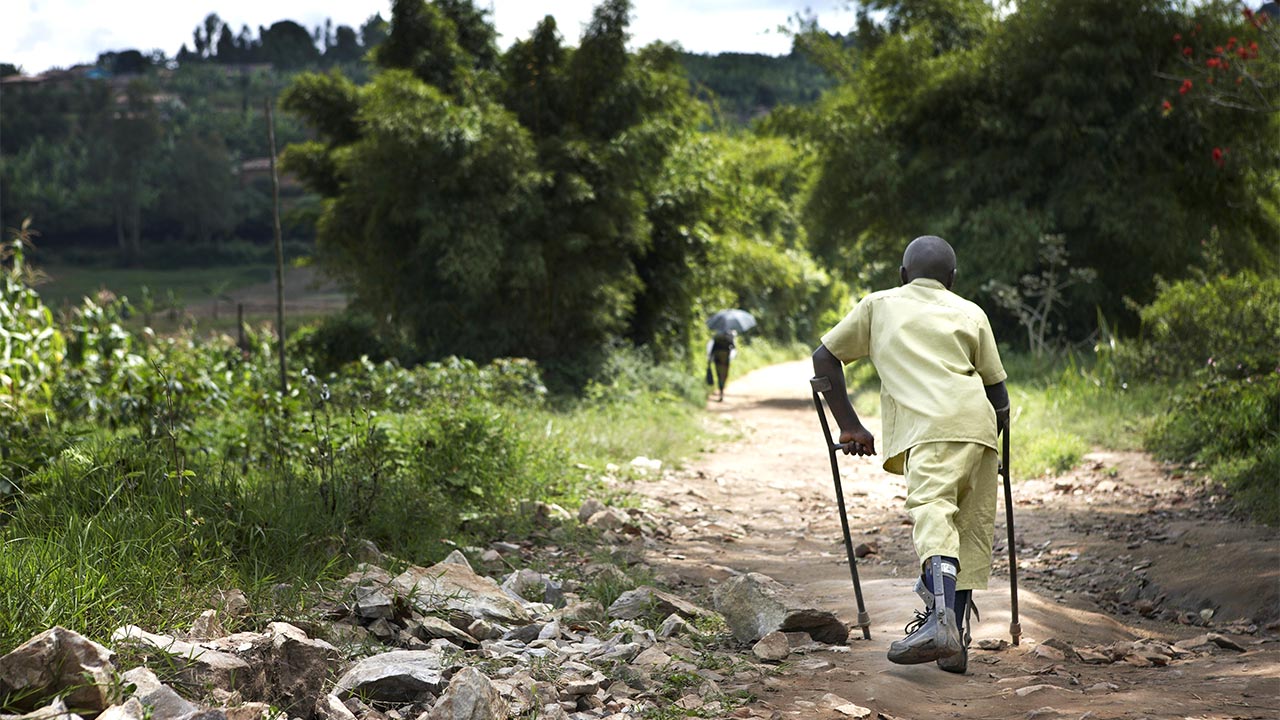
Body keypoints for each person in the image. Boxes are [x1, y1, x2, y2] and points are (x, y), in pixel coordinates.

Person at [811, 235, 1009, 674]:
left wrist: (849, 424)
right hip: (979, 427)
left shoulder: (878, 304)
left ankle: (938, 621)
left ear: (902, 275)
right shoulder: (970, 311)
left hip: (929, 429)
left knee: (933, 511)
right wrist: (997, 445)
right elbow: (998, 389)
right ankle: (954, 637)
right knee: (968, 527)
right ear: (952, 279)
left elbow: (824, 358)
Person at [706, 329, 737, 401]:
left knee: (719, 375)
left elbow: (713, 350)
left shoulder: (717, 336)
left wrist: (709, 360)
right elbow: (733, 347)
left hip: (718, 360)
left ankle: (721, 391)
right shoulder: (729, 337)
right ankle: (721, 391)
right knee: (724, 375)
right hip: (725, 360)